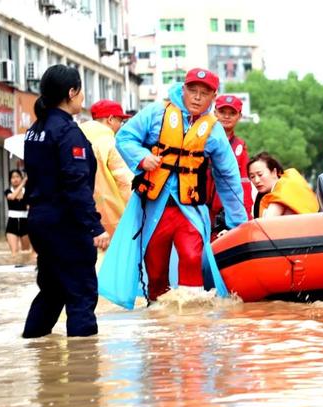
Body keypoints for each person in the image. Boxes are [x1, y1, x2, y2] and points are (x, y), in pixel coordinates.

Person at [98, 68, 247, 308]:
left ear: (213, 97)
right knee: (155, 271)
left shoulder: (214, 130)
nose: (197, 97)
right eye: (193, 90)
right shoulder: (156, 112)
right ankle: (160, 327)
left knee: (191, 257)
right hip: (155, 208)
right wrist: (142, 157)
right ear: (184, 89)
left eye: (204, 93)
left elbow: (229, 178)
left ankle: (192, 329)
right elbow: (124, 138)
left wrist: (238, 224)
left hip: (190, 210)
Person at [22, 64, 110, 338]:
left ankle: (34, 348)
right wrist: (95, 227)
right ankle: (84, 372)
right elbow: (75, 185)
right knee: (82, 294)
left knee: (52, 291)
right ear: (71, 92)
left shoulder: (35, 129)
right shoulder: (68, 133)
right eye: (80, 90)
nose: (82, 97)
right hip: (65, 225)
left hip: (40, 222)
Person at [79, 99, 134, 236]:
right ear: (110, 119)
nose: (120, 125)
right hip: (111, 217)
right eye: (120, 121)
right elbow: (125, 183)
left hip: (81, 212)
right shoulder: (111, 143)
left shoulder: (76, 138)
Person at [208, 94, 253, 236]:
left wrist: (244, 219)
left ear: (239, 116)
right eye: (222, 112)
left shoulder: (240, 147)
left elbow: (244, 183)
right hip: (200, 210)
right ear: (214, 112)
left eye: (232, 113)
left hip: (225, 214)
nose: (226, 117)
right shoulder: (202, 139)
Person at [247, 152, 319, 219]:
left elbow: (267, 223)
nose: (256, 180)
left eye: (260, 174)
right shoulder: (266, 194)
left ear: (274, 172)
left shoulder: (284, 189)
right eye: (252, 177)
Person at [4, 169, 30, 259]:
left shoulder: (27, 191)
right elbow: (12, 197)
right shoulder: (8, 191)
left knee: (26, 252)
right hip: (12, 223)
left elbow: (29, 206)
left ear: (21, 177)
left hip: (25, 222)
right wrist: (23, 183)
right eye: (13, 177)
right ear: (10, 180)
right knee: (14, 254)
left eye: (17, 177)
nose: (15, 179)